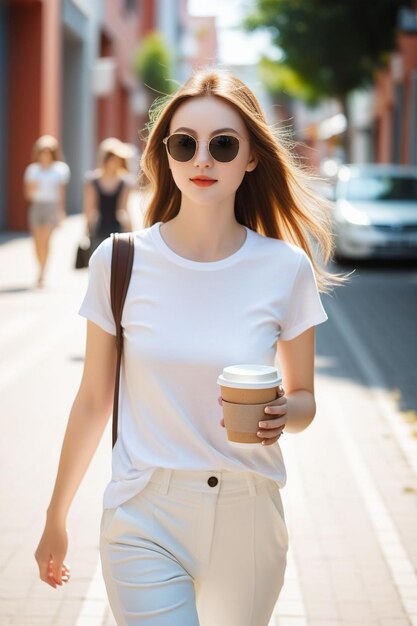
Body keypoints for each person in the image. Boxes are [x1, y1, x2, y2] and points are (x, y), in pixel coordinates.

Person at [35, 69, 337, 626]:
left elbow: (305, 402)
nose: (203, 160)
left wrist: (281, 414)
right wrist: (56, 514)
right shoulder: (118, 261)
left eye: (223, 145)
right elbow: (93, 400)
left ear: (249, 158)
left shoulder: (284, 268)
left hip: (248, 514)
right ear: (165, 154)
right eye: (185, 144)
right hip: (144, 514)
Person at [23, 135, 70, 287]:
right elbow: (28, 194)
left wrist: (60, 212)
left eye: (48, 152)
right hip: (37, 206)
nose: (45, 156)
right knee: (37, 241)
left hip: (51, 207)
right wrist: (33, 187)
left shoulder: (60, 170)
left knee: (46, 239)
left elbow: (61, 193)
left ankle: (43, 271)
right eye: (42, 152)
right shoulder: (32, 170)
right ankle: (40, 264)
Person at [83, 137, 135, 252]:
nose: (116, 162)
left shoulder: (125, 182)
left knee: (118, 266)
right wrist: (86, 232)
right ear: (105, 159)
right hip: (98, 230)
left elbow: (123, 210)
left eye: (118, 159)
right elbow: (89, 210)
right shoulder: (92, 181)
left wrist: (132, 233)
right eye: (113, 158)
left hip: (118, 230)